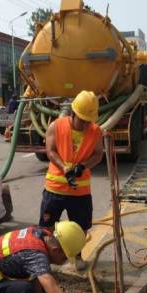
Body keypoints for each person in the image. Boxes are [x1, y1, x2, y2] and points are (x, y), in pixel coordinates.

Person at [39, 90, 103, 233]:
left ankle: (78, 256)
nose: (86, 125)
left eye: (89, 121)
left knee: (80, 231)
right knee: (46, 230)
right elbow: (50, 151)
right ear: (73, 113)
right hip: (55, 189)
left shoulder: (96, 131)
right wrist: (64, 168)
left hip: (80, 192)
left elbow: (98, 155)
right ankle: (49, 255)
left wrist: (83, 167)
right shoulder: (56, 126)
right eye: (82, 120)